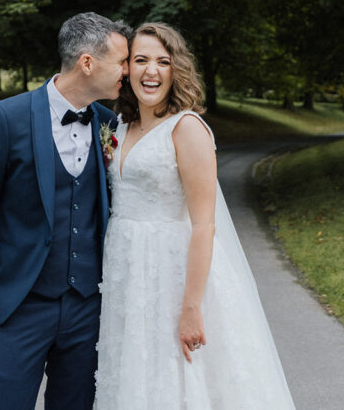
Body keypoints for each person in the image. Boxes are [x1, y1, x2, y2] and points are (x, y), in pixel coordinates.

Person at [94, 22, 296, 409]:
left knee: (181, 378)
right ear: (126, 69)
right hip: (127, 272)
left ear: (176, 70)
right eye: (140, 60)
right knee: (134, 372)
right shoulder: (119, 125)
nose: (151, 71)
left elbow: (204, 225)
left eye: (162, 61)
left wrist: (191, 308)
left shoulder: (187, 129)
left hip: (172, 274)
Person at [0, 12, 130, 410]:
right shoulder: (4, 119)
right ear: (87, 63)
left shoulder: (109, 123)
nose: (126, 71)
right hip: (18, 308)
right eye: (121, 61)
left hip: (88, 310)